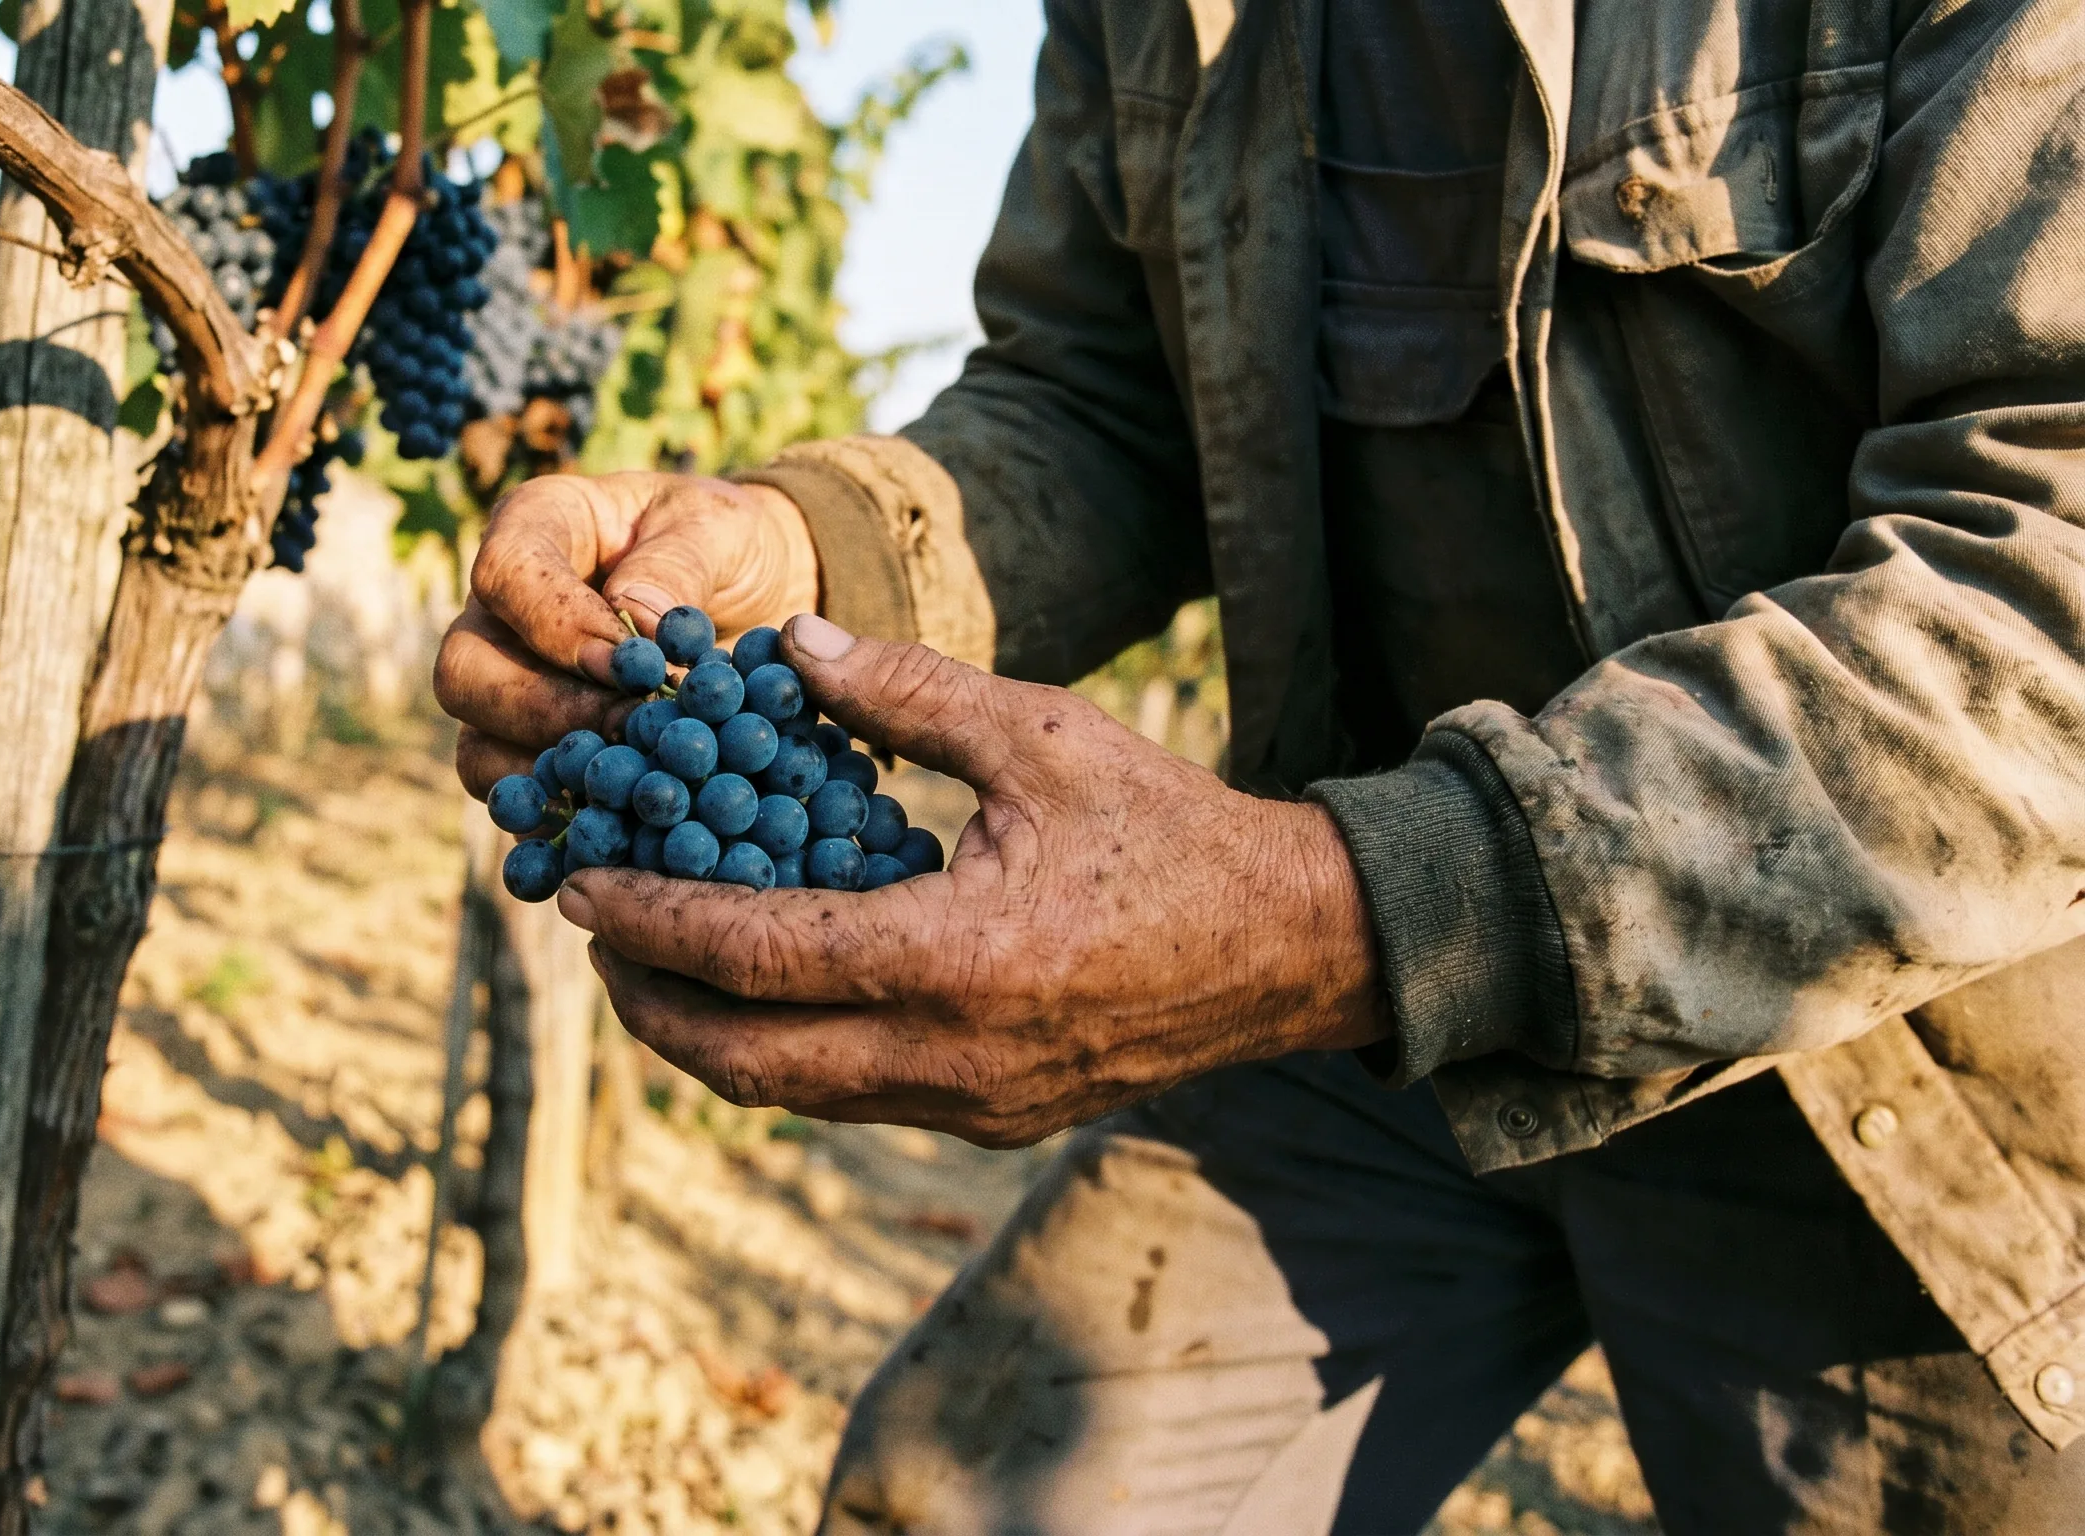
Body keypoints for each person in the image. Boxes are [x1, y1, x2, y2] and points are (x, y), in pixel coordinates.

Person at [433, 1, 2085, 1529]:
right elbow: (1105, 403)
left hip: (1903, 1045)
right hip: (1371, 1000)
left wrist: (1333, 918)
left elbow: (2050, 568)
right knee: (966, 1495)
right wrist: (807, 549)